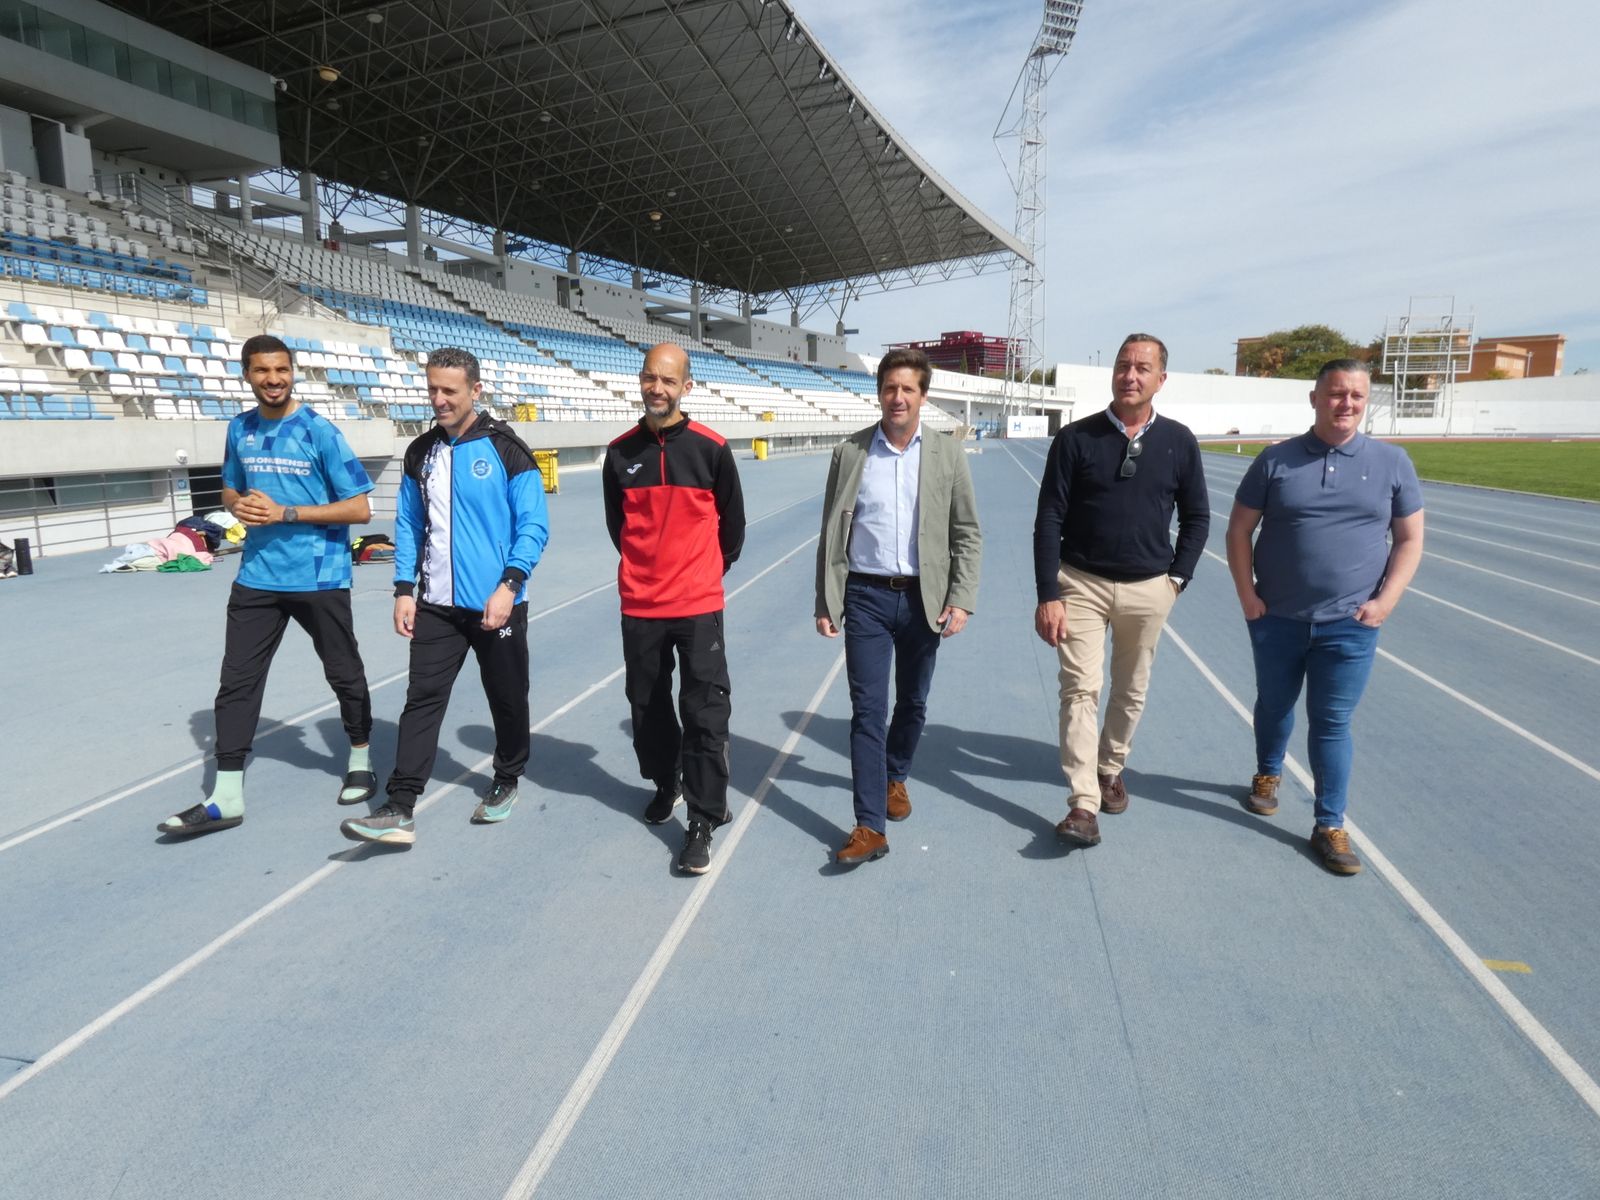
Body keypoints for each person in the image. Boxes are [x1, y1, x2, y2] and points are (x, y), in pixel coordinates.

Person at [160, 334, 375, 836]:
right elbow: (230, 488)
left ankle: (361, 757)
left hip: (319, 575)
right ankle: (226, 796)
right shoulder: (240, 428)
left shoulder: (319, 431)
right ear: (247, 374)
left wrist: (287, 513)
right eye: (262, 370)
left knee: (343, 671)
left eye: (281, 369)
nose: (273, 379)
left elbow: (361, 508)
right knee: (237, 682)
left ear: (292, 371)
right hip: (257, 576)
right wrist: (236, 505)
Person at [341, 347, 550, 845]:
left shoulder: (507, 449)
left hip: (496, 603)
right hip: (436, 604)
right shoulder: (421, 452)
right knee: (422, 699)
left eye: (449, 391)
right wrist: (403, 589)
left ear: (475, 390)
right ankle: (400, 804)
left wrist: (509, 585)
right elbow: (410, 524)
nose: (439, 399)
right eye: (432, 389)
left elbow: (533, 526)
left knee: (507, 697)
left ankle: (507, 777)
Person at [1225, 358, 1424, 875]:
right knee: (1274, 704)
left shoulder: (1392, 462)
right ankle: (1268, 772)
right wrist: (1247, 595)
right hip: (1277, 617)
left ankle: (1329, 823)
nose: (1346, 404)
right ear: (1314, 399)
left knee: (1333, 723)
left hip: (1350, 624)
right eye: (1336, 393)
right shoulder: (1276, 460)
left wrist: (1385, 602)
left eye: (1356, 396)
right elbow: (1239, 529)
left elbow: (1410, 539)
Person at [1032, 333, 1209, 848]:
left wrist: (1176, 579)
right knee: (1079, 689)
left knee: (1131, 689)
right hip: (1080, 584)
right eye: (1123, 365)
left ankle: (1110, 767)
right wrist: (1048, 593)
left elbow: (1197, 517)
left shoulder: (1179, 442)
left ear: (1160, 379)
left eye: (1142, 368)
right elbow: (1049, 517)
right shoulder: (1075, 439)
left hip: (1149, 588)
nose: (1130, 375)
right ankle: (1084, 803)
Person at [815, 346, 982, 865]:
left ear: (922, 396)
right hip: (865, 596)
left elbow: (966, 531)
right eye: (890, 388)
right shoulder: (850, 452)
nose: (898, 397)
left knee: (912, 701)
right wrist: (826, 600)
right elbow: (831, 531)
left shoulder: (947, 453)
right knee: (867, 711)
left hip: (922, 598)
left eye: (908, 388)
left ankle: (896, 775)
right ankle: (869, 825)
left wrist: (961, 597)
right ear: (879, 393)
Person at [603, 343, 745, 875]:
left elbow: (733, 527)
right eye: (649, 378)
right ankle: (668, 782)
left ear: (687, 386)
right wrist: (649, 571)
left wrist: (701, 573)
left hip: (697, 604)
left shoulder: (712, 449)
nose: (656, 388)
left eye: (667, 380)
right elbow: (619, 528)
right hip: (641, 604)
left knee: (705, 712)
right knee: (647, 707)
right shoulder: (620, 454)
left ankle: (704, 818)